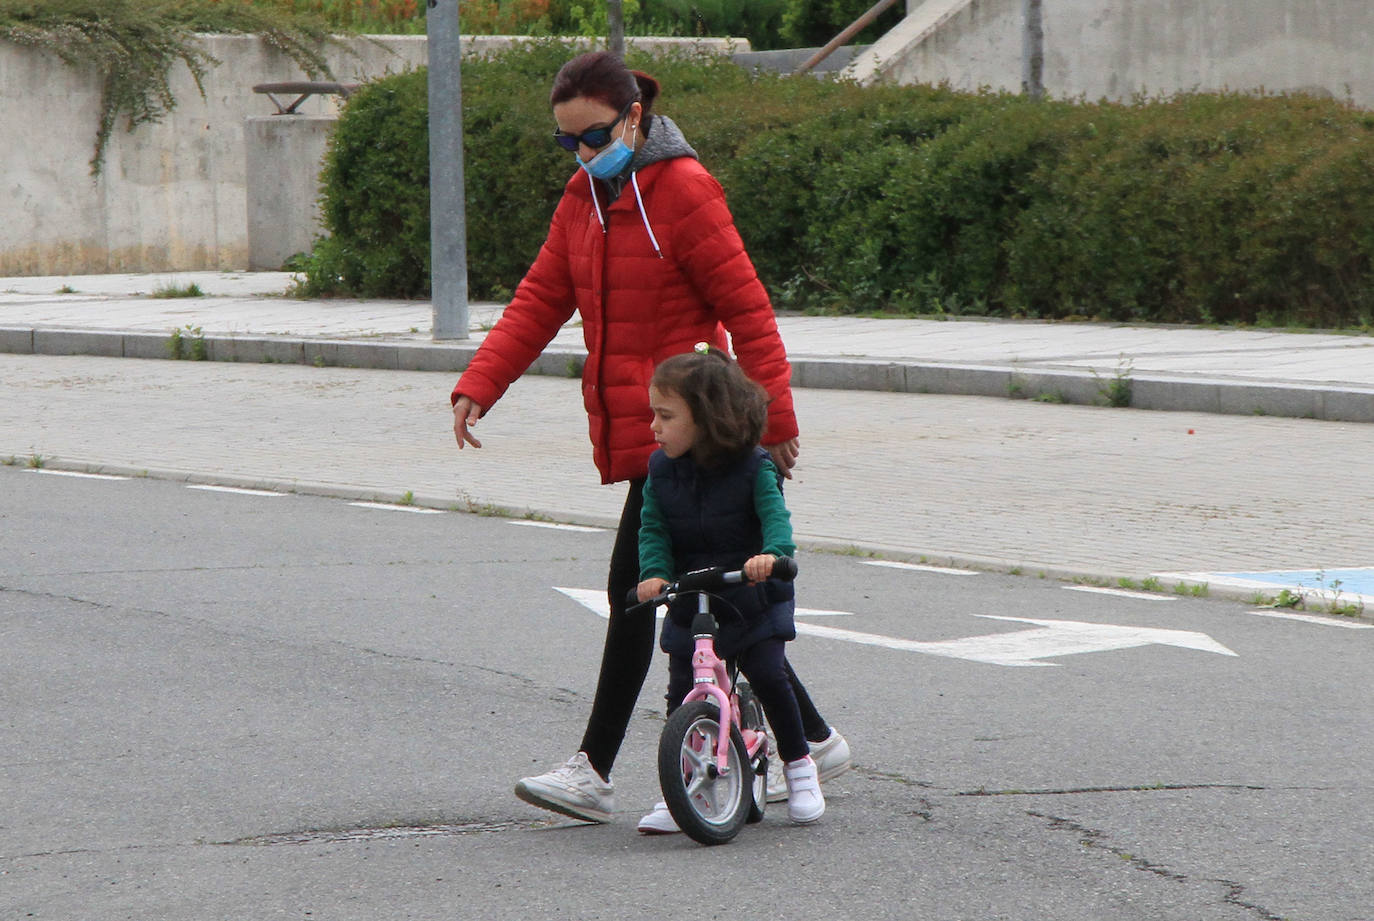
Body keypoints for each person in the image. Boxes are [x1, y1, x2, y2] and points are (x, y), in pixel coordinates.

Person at [450, 50, 849, 827]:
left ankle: (594, 768)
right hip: (643, 428)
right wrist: (480, 382)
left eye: (594, 136)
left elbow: (749, 308)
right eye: (568, 143)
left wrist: (780, 426)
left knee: (636, 589)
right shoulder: (583, 201)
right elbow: (539, 297)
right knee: (713, 601)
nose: (583, 154)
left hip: (695, 432)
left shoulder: (684, 190)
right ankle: (818, 738)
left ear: (635, 116)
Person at [636, 346, 823, 830]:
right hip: (693, 593)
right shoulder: (660, 470)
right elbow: (653, 528)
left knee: (767, 670)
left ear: (706, 418)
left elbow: (775, 520)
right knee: (682, 688)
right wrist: (653, 574)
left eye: (665, 415)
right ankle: (681, 789)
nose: (653, 427)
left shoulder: (754, 466)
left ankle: (800, 765)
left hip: (750, 592)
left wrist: (772, 556)